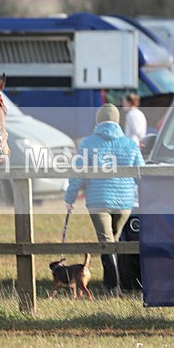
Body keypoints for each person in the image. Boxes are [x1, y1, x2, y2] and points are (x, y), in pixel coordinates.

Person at [64, 103, 144, 297]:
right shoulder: (130, 144)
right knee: (114, 240)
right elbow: (141, 173)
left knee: (106, 241)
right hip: (125, 201)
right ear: (117, 121)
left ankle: (112, 286)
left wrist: (70, 197)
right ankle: (121, 284)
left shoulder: (88, 143)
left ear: (98, 121)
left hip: (98, 200)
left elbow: (78, 174)